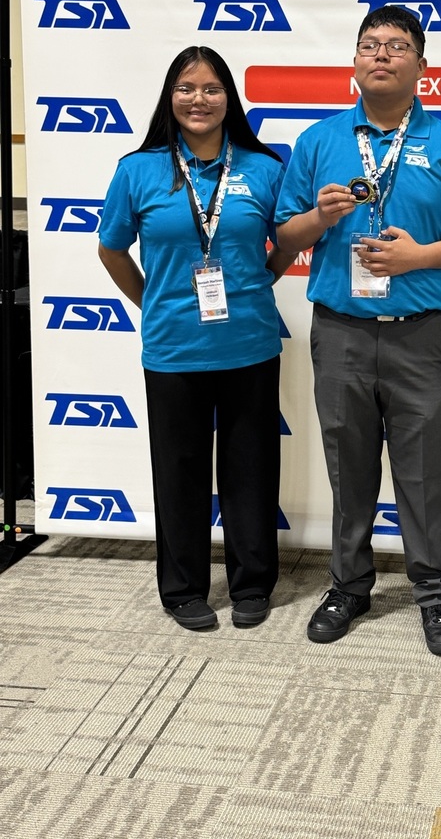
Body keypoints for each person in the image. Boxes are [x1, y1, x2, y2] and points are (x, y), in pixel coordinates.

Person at [275, 6, 441, 656]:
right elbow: (283, 238)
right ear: (355, 61)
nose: (381, 55)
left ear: (422, 65)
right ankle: (348, 584)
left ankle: (435, 593)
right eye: (370, 45)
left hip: (418, 335)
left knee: (424, 473)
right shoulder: (319, 141)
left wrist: (416, 258)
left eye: (397, 46)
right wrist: (319, 215)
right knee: (349, 468)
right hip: (339, 332)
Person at [98, 45, 296, 631]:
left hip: (250, 344)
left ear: (229, 98)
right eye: (186, 88)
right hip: (173, 348)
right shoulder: (139, 170)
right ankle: (183, 589)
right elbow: (111, 249)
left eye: (212, 88)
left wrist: (259, 281)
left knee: (250, 468)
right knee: (179, 470)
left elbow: (284, 244)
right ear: (169, 97)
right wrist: (152, 301)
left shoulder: (262, 168)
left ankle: (253, 584)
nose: (199, 99)